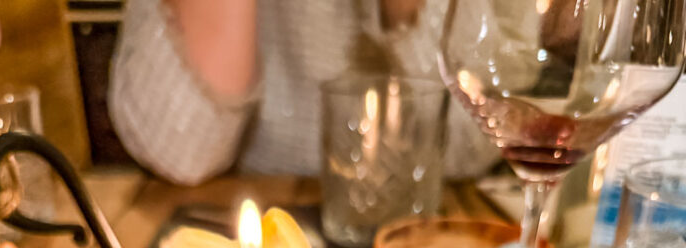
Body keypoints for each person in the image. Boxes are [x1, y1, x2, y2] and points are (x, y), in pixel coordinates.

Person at [109, 0, 499, 186]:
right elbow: (179, 154)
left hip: (419, 244)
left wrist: (406, 14)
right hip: (244, 235)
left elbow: (474, 147)